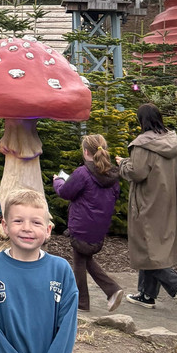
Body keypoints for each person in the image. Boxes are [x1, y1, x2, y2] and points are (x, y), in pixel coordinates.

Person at [0, 187, 78, 353]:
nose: (27, 228)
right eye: (18, 221)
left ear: (48, 230)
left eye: (36, 222)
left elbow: (66, 336)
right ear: (5, 226)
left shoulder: (61, 271)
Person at [117, 103, 177, 317]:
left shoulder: (142, 145)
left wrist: (123, 163)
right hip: (171, 201)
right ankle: (146, 294)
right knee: (152, 246)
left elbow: (138, 173)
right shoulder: (174, 140)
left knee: (146, 247)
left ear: (141, 121)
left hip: (148, 202)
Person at [53, 134, 124, 312]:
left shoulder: (82, 173)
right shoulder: (113, 175)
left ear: (86, 152)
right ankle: (107, 293)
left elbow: (65, 192)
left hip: (81, 225)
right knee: (84, 259)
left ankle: (86, 301)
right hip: (99, 228)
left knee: (79, 262)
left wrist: (58, 181)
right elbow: (115, 195)